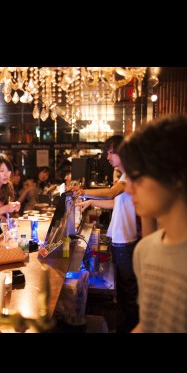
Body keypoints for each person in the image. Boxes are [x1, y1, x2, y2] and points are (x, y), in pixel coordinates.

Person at [118, 115, 187, 333]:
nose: (128, 189)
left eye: (137, 178)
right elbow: (150, 323)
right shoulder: (145, 250)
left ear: (177, 176)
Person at [77, 135, 139, 332]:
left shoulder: (129, 175)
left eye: (111, 152)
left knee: (128, 293)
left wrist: (83, 191)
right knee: (123, 291)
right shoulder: (124, 176)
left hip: (125, 242)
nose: (108, 156)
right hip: (121, 241)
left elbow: (111, 193)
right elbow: (114, 203)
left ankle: (132, 327)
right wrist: (90, 201)